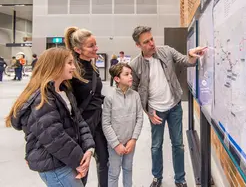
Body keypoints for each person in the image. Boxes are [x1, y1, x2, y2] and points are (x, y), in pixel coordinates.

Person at [5, 48, 95, 187]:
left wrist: (89, 148)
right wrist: (80, 161)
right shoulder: (43, 99)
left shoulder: (64, 92)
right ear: (56, 66)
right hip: (56, 166)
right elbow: (55, 137)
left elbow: (79, 121)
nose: (73, 67)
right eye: (69, 63)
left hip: (67, 160)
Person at [130, 26, 206, 187]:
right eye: (146, 42)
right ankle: (157, 177)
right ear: (138, 45)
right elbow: (134, 92)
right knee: (156, 146)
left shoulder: (166, 51)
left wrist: (192, 56)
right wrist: (148, 112)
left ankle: (180, 179)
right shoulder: (135, 64)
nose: (152, 43)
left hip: (174, 107)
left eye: (152, 39)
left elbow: (186, 61)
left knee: (178, 144)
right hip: (155, 111)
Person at [64, 26, 109, 187]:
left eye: (95, 44)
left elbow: (95, 95)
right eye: (91, 46)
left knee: (104, 160)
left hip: (99, 121)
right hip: (82, 124)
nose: (96, 48)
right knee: (82, 166)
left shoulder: (93, 67)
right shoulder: (72, 71)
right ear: (78, 49)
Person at [102, 63, 143, 187]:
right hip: (115, 144)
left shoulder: (135, 96)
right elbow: (106, 123)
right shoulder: (109, 97)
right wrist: (116, 144)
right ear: (117, 79)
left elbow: (140, 118)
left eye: (131, 73)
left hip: (130, 142)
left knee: (128, 169)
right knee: (114, 173)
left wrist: (133, 139)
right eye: (126, 74)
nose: (131, 76)